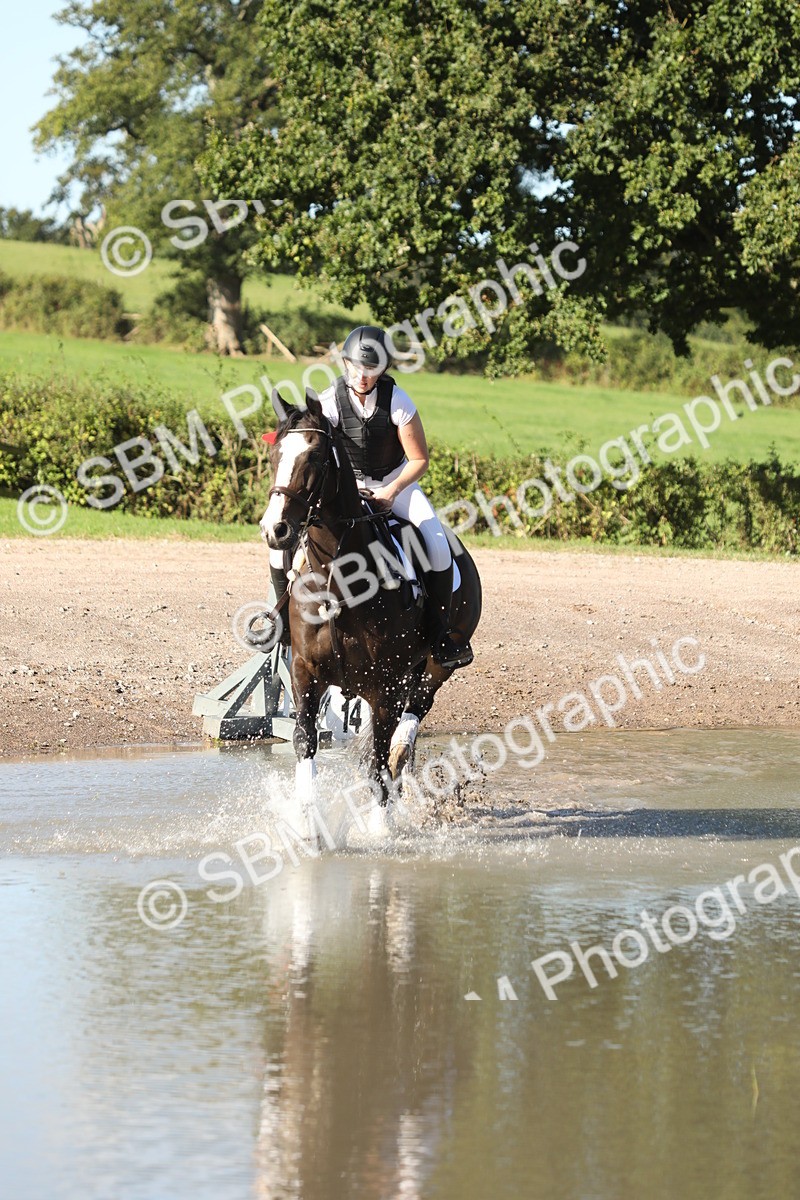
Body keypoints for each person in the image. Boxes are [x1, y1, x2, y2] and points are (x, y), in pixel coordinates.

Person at [267, 324, 473, 669]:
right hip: (347, 488)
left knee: (437, 544)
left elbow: (419, 459)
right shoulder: (330, 402)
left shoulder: (399, 402)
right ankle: (283, 626)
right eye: (357, 367)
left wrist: (391, 492)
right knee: (280, 548)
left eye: (372, 369)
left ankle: (440, 635)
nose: (363, 376)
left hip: (396, 482)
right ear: (345, 363)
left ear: (384, 369)